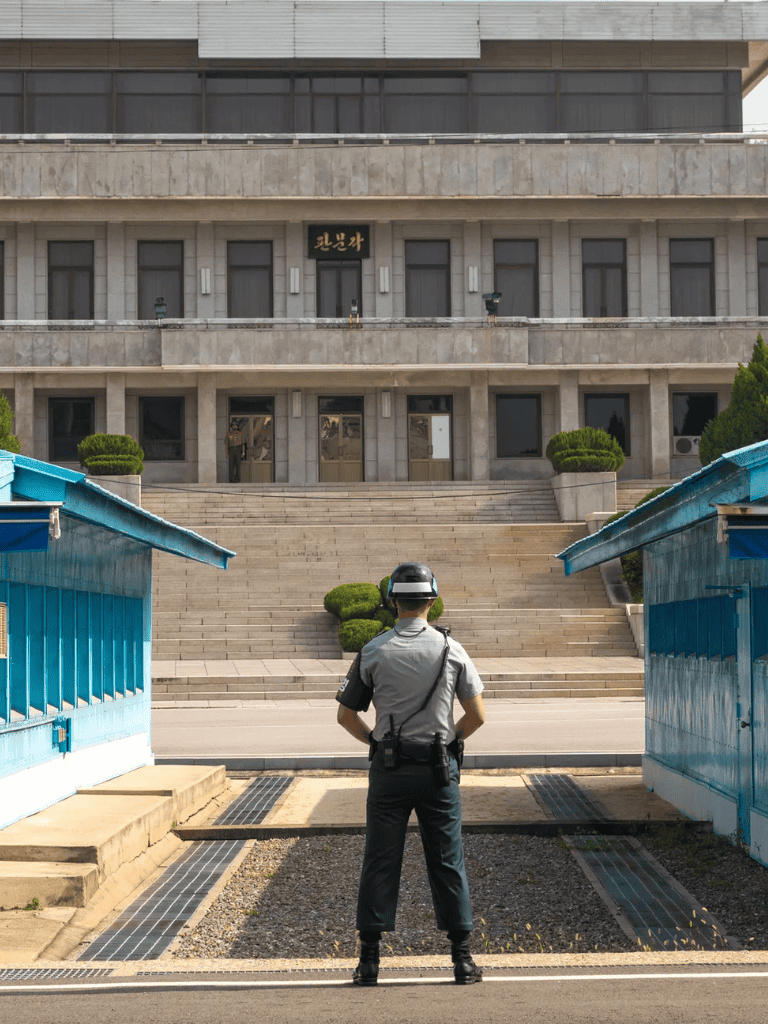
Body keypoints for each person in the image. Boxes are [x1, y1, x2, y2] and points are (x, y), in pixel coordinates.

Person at [336, 561, 486, 987]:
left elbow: (346, 715)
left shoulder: (375, 649)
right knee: (446, 859)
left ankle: (369, 962)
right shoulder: (450, 650)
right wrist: (450, 741)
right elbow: (476, 715)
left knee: (380, 859)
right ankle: (461, 959)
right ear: (432, 600)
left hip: (389, 769)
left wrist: (375, 743)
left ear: (391, 601)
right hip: (438, 769)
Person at [225, 418, 245, 483]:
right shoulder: (228, 434)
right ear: (231, 426)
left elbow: (243, 443)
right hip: (231, 450)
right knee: (231, 465)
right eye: (233, 425)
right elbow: (226, 444)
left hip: (238, 449)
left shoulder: (240, 433)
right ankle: (231, 480)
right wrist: (226, 453)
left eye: (236, 425)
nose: (235, 426)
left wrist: (243, 451)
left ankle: (237, 480)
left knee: (238, 465)